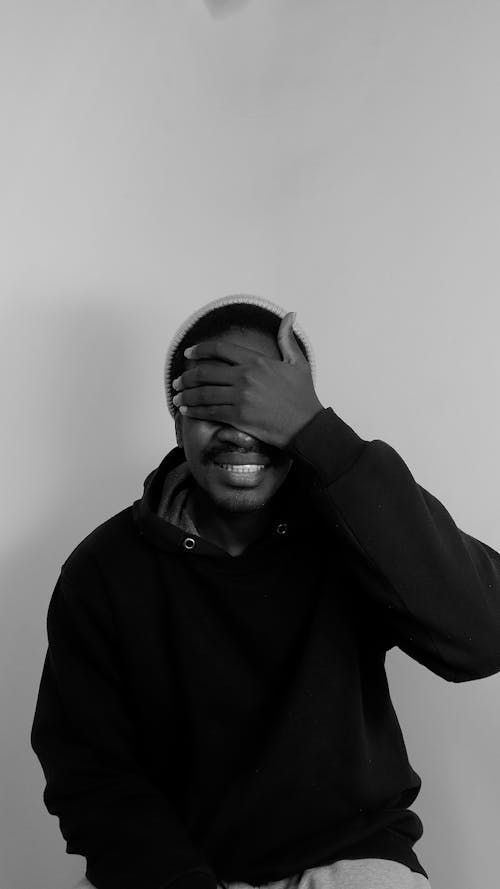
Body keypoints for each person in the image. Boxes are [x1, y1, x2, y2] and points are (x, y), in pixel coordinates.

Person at [31, 294, 500, 889]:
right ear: (175, 420)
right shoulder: (103, 570)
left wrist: (320, 434)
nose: (240, 434)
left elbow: (484, 638)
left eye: (264, 409)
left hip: (348, 860)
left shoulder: (353, 530)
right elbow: (90, 772)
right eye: (212, 405)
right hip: (167, 870)